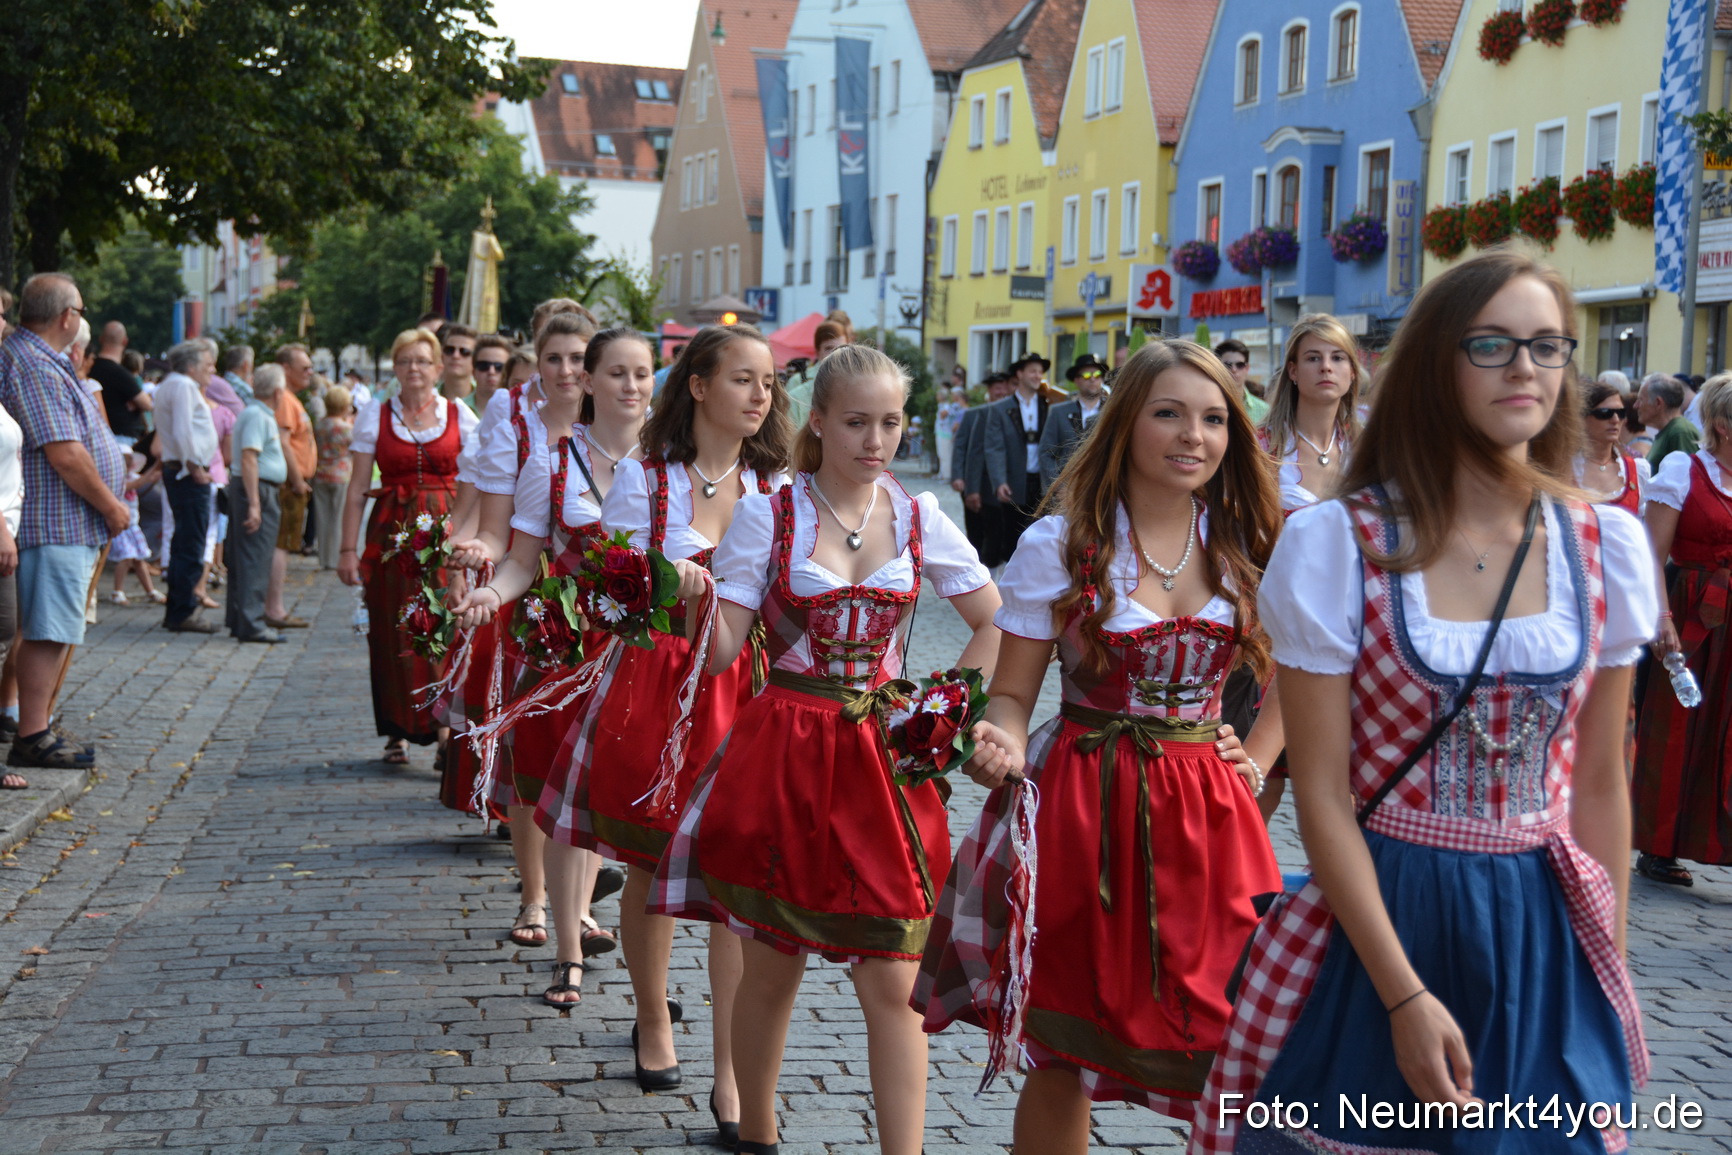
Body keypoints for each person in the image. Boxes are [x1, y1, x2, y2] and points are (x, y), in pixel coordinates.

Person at [1191, 250, 1656, 1155]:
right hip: (1388, 913)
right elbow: (1323, 795)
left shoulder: (1608, 547)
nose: (1526, 366)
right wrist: (1403, 994)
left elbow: (1599, 785)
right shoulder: (1340, 543)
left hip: (1544, 926)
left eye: (1547, 345)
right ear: (1437, 364)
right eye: (1492, 345)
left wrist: (1607, 969)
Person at [917, 339, 1281, 1149]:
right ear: (1126, 422)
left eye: (1215, 418)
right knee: (1065, 1052)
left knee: (1230, 1044)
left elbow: (1301, 661)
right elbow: (1013, 693)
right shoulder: (1064, 543)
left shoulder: (1249, 537)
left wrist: (1258, 750)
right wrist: (997, 737)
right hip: (1086, 807)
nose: (1194, 435)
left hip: (1213, 818)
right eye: (1170, 413)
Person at [654, 344, 1000, 1155]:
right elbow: (720, 652)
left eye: (889, 421)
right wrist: (682, 592)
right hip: (786, 752)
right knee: (772, 963)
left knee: (894, 969)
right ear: (818, 420)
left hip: (884, 760)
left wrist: (945, 710)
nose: (875, 439)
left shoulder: (918, 516)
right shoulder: (768, 515)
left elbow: (995, 621)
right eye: (856, 421)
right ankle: (757, 1131)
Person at [536, 324, 789, 1135]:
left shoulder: (777, 484)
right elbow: (610, 589)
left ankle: (729, 1065)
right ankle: (653, 1015)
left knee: (732, 883)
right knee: (651, 859)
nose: (761, 395)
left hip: (746, 684)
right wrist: (658, 581)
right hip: (662, 679)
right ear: (702, 386)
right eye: (745, 379)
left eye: (770, 382)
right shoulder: (649, 480)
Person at [448, 322, 649, 1006]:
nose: (630, 386)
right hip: (559, 646)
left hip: (631, 653)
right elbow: (521, 558)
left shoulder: (666, 467)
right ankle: (566, 945)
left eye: (641, 373)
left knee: (598, 798)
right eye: (615, 373)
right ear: (587, 382)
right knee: (559, 796)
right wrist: (489, 593)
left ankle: (584, 917)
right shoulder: (553, 463)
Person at [0, 274, 128, 770]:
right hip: (55, 520)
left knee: (54, 628)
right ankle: (32, 731)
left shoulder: (41, 360)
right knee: (48, 629)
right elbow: (65, 454)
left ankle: (37, 725)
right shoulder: (33, 363)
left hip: (66, 520)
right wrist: (112, 507)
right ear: (67, 316)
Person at [337, 327, 479, 764]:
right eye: (405, 361)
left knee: (443, 625)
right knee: (393, 628)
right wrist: (346, 549)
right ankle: (397, 727)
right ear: (395, 369)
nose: (413, 368)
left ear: (438, 368)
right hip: (392, 536)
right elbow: (358, 484)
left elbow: (476, 483)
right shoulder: (374, 415)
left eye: (422, 360)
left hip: (445, 534)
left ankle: (440, 727)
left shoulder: (460, 415)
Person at [1631, 372, 1732, 888]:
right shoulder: (1683, 469)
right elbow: (1651, 552)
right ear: (1722, 424)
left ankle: (1722, 842)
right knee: (1675, 727)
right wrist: (1661, 617)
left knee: (1727, 733)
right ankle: (1659, 846)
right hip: (1692, 609)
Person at [1259, 314, 1365, 515]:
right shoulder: (1262, 447)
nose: (1326, 367)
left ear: (1352, 371)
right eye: (1313, 358)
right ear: (1293, 371)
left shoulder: (1366, 447)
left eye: (1337, 357)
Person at [154, 340, 221, 634]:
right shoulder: (183, 386)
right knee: (191, 544)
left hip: (181, 471)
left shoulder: (172, 384)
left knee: (184, 542)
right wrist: (195, 468)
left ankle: (178, 609)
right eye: (208, 365)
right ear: (192, 366)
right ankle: (183, 611)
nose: (212, 370)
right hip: (187, 474)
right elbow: (183, 431)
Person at [226, 364, 289, 643]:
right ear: (277, 391)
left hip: (255, 488)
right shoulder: (257, 416)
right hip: (258, 490)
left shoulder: (255, 413)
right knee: (255, 557)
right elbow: (249, 457)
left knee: (248, 556)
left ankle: (242, 620)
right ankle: (251, 623)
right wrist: (254, 504)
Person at [267, 344, 316, 629]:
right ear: (286, 369)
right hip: (289, 484)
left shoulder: (290, 398)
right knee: (281, 545)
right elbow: (283, 442)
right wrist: (297, 479)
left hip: (293, 483)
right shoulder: (284, 399)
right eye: (304, 367)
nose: (310, 372)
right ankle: (274, 609)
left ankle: (275, 607)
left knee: (284, 545)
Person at [985, 352, 1055, 550]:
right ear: (1020, 374)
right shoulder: (1000, 409)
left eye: (1040, 372)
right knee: (1012, 540)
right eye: (1032, 371)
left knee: (1041, 539)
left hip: (1042, 481)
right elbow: (994, 448)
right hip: (1015, 481)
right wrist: (999, 481)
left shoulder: (1049, 405)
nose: (1037, 376)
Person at [1038, 352, 1109, 489]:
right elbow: (1046, 453)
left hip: (1103, 488)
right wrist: (1057, 486)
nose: (1093, 379)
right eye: (1087, 375)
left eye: (1097, 375)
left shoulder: (1112, 411)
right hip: (1067, 491)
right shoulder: (1058, 412)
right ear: (1076, 380)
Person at [1576, 380, 1648, 514]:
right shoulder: (1565, 468)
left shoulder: (1637, 470)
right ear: (1582, 417)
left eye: (1620, 413)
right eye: (1604, 413)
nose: (1615, 420)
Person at [108, 450, 162, 605]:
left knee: (139, 559)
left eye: (130, 460)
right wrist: (155, 466)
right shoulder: (115, 480)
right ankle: (117, 591)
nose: (128, 463)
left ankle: (150, 591)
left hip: (133, 525)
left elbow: (147, 480)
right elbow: (137, 484)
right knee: (126, 557)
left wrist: (156, 469)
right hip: (123, 525)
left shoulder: (133, 476)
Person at [312, 385, 355, 569]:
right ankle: (336, 558)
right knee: (338, 518)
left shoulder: (319, 425)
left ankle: (324, 558)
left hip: (320, 473)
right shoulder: (346, 428)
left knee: (322, 517)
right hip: (341, 474)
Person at [90, 321, 151, 448]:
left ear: (101, 339)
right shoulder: (121, 373)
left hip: (95, 434)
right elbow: (147, 404)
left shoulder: (89, 367)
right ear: (125, 341)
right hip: (122, 438)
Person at [783, 321, 847, 427]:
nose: (836, 354)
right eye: (829, 348)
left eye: (842, 348)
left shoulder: (856, 391)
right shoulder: (796, 395)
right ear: (817, 352)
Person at [1639, 371, 1698, 470]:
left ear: (1658, 403)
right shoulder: (1670, 430)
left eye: (1640, 400)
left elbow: (1689, 477)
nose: (1635, 406)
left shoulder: (1680, 432)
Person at [1214, 338, 1268, 424]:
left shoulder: (1264, 410)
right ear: (1218, 367)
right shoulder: (1208, 405)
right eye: (1227, 365)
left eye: (1240, 365)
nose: (1234, 369)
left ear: (1247, 368)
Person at [471, 333, 513, 416]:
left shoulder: (519, 413)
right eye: (483, 366)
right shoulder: (456, 409)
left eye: (499, 367)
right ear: (473, 372)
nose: (491, 371)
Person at [440, 323, 479, 410]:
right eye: (449, 350)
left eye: (464, 352)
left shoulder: (486, 401)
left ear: (476, 358)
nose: (456, 356)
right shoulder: (427, 396)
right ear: (442, 355)